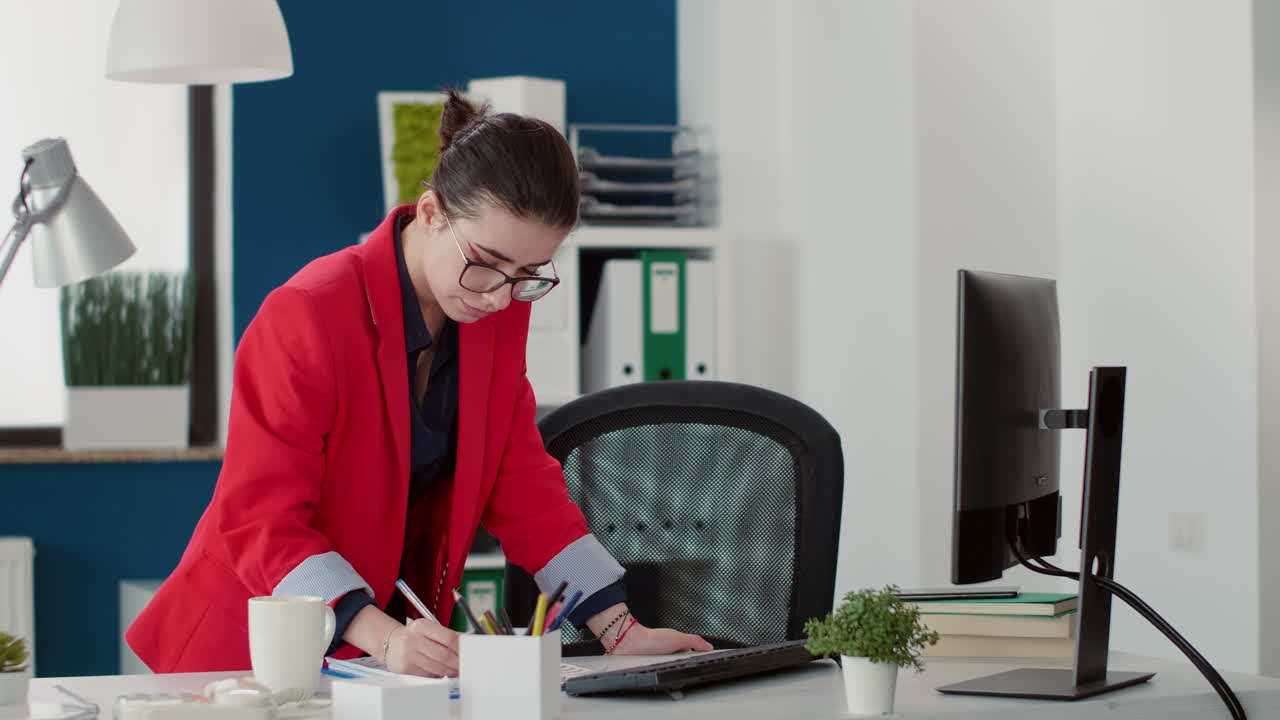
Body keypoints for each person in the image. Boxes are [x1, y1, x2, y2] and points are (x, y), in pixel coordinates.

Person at [127, 90, 712, 676]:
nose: (499, 294)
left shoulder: (493, 306)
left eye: (528, 273)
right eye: (485, 260)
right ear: (431, 212)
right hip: (252, 651)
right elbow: (260, 518)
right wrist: (381, 638)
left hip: (383, 654)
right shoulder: (307, 314)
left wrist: (618, 629)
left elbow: (521, 482)